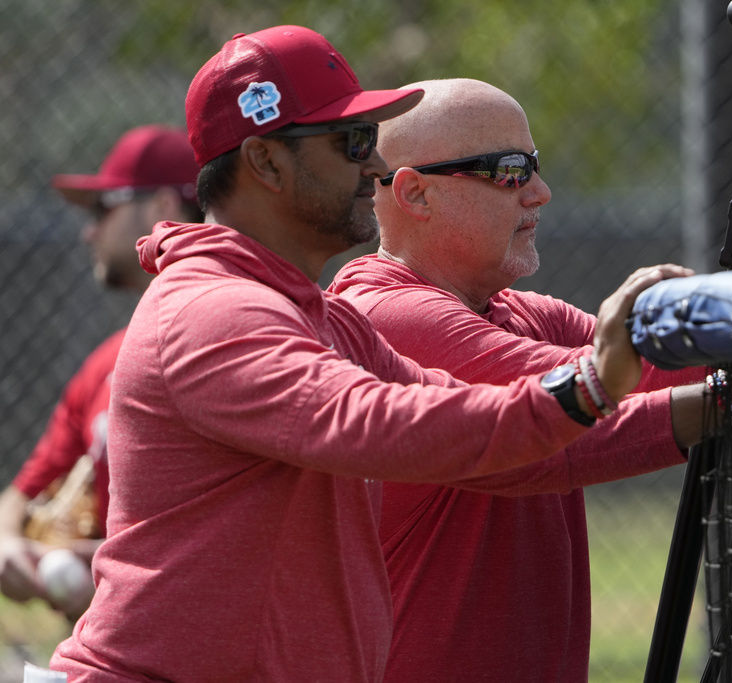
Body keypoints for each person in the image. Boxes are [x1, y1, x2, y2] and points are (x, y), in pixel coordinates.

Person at [47, 26, 692, 681]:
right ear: (266, 162)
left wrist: (706, 385)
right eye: (352, 142)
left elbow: (450, 404)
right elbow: (382, 422)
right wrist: (590, 386)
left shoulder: (320, 317)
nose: (375, 164)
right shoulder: (214, 310)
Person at [330, 78, 713, 681]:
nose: (540, 192)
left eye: (534, 165)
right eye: (510, 171)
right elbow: (579, 416)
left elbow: (672, 366)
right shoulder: (384, 318)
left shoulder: (525, 314)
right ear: (415, 193)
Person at [0, 124, 201, 622]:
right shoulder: (107, 362)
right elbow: (23, 492)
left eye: (102, 210)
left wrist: (110, 567)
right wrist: (8, 542)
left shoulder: (239, 343)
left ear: (161, 208)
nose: (88, 231)